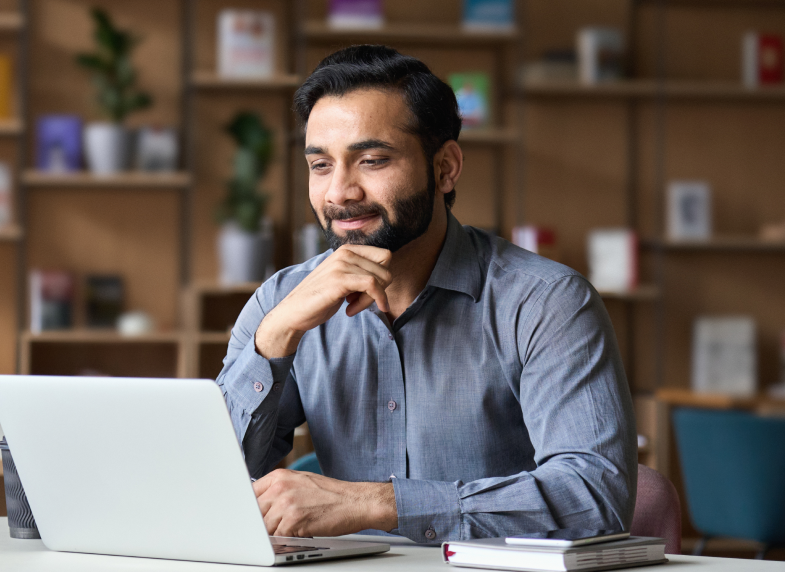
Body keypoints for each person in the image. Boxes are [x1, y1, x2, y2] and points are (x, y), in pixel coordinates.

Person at [215, 45, 636, 544]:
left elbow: (595, 497)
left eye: (371, 160)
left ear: (445, 168)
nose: (339, 193)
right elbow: (206, 485)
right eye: (321, 165)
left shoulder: (547, 303)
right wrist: (275, 339)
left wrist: (380, 503)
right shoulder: (280, 302)